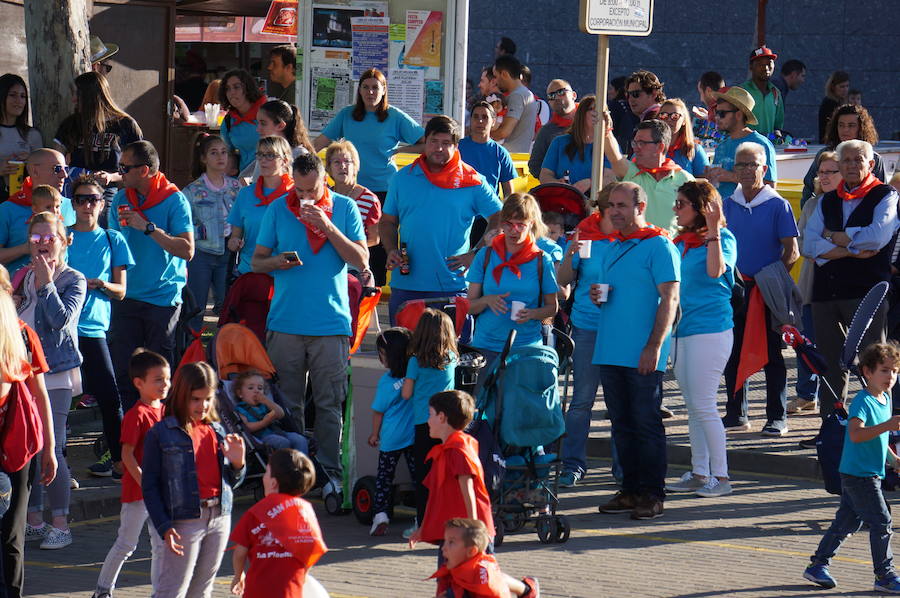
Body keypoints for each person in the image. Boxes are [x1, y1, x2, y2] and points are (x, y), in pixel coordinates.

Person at [252, 153, 367, 495]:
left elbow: (361, 261)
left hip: (330, 324)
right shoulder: (278, 209)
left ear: (323, 181)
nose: (304, 199)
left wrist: (327, 226)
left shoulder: (344, 208)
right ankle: (293, 474)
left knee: (330, 404)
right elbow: (256, 263)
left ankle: (330, 474)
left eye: (311, 191)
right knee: (288, 405)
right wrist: (278, 261)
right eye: (299, 191)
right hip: (286, 322)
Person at [594, 182, 679, 521]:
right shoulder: (613, 246)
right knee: (622, 425)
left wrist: (654, 346)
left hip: (642, 352)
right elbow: (612, 293)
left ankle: (652, 494)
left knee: (646, 424)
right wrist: (597, 296)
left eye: (622, 205)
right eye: (610, 206)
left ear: (640, 207)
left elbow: (670, 299)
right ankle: (630, 491)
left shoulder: (659, 245)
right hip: (610, 349)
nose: (614, 211)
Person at [804, 140, 898, 433]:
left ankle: (878, 430)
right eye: (846, 160)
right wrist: (851, 247)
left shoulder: (885, 196)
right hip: (826, 293)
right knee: (829, 363)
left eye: (858, 160)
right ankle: (831, 428)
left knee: (874, 363)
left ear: (871, 164)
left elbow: (877, 238)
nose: (851, 165)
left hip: (867, 292)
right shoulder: (826, 200)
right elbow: (807, 243)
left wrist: (831, 238)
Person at [410, 390, 540, 598]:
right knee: (454, 580)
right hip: (453, 532)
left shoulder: (459, 449)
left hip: (469, 532)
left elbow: (468, 490)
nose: (428, 420)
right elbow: (437, 498)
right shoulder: (445, 450)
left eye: (430, 414)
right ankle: (527, 589)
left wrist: (473, 530)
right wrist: (423, 528)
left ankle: (527, 589)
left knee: (482, 578)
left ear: (442, 417)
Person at [381, 115, 502, 324]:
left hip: (452, 287)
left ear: (456, 146)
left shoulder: (472, 181)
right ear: (424, 143)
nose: (438, 148)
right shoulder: (402, 178)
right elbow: (387, 222)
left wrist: (477, 254)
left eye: (446, 143)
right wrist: (391, 249)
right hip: (407, 285)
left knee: (452, 356)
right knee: (402, 355)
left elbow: (500, 217)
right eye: (433, 142)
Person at [141, 361, 246, 598]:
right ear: (181, 396)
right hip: (184, 520)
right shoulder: (160, 433)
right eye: (196, 399)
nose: (203, 405)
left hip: (219, 515)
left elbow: (232, 482)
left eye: (208, 398)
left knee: (202, 590)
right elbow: (149, 486)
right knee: (172, 590)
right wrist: (164, 526)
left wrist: (239, 465)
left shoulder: (217, 430)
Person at [802, 342, 900, 593]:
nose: (891, 377)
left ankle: (817, 565)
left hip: (870, 473)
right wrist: (887, 426)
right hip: (859, 475)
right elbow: (856, 434)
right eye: (884, 370)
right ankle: (884, 576)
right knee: (881, 522)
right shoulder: (863, 401)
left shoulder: (885, 397)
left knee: (847, 523)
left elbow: (878, 438)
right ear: (867, 372)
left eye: (895, 371)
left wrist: (893, 460)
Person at [314, 68, 425, 286]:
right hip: (350, 191)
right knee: (351, 238)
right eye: (366, 87)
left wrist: (402, 150)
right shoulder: (347, 114)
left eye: (375, 87)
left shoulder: (394, 116)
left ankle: (375, 289)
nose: (370, 92)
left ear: (384, 90)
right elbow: (320, 142)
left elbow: (426, 142)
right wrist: (300, 158)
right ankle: (351, 286)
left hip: (385, 189)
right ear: (359, 90)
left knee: (379, 243)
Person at [107, 140, 194, 410]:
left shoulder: (174, 200)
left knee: (159, 372)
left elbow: (187, 250)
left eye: (125, 167)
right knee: (124, 369)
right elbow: (112, 245)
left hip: (161, 298)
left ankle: (162, 430)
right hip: (126, 295)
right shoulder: (121, 198)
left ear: (143, 171)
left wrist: (148, 228)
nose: (120, 172)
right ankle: (129, 431)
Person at [721, 143, 799, 436]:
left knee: (774, 356)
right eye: (740, 165)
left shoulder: (778, 204)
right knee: (733, 352)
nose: (745, 170)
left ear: (764, 169)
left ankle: (777, 417)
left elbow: (792, 251)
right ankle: (735, 413)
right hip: (735, 291)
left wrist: (771, 280)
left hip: (766, 293)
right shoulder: (728, 204)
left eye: (751, 165)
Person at [665, 181, 736, 498]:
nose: (676, 209)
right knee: (694, 406)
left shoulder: (723, 239)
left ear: (701, 208)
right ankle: (699, 471)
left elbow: (714, 271)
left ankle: (721, 478)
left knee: (705, 405)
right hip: (682, 331)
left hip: (711, 330)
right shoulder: (680, 242)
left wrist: (713, 229)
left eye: (681, 203)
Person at [19, 212, 86, 550]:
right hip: (23, 374)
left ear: (64, 242)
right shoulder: (20, 277)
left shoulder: (73, 279)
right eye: (36, 239)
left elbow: (61, 321)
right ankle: (33, 520)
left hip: (56, 375)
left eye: (50, 238)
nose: (43, 244)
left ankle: (60, 523)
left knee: (52, 447)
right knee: (26, 448)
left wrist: (46, 284)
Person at [68, 175, 134, 479]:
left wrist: (101, 284)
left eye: (92, 199)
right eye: (80, 199)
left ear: (101, 203)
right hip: (63, 329)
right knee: (61, 400)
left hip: (94, 329)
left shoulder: (113, 239)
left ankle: (120, 461)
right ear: (73, 203)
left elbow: (121, 290)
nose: (86, 205)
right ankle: (59, 465)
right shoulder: (63, 236)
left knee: (110, 396)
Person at [91, 349, 168, 598]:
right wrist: (147, 484)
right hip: (138, 492)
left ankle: (159, 592)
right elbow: (127, 456)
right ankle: (103, 590)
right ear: (139, 383)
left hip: (160, 492)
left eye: (166, 379)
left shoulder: (165, 412)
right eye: (158, 380)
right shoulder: (137, 415)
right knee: (127, 544)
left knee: (160, 545)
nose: (165, 384)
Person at [0, 263, 56, 598]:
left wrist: (50, 448)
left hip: (18, 445)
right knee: (11, 534)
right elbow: (40, 395)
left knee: (12, 532)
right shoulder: (22, 332)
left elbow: (40, 394)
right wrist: (48, 448)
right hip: (20, 446)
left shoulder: (22, 334)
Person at [557, 196, 617, 487]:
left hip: (621, 330)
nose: (610, 214)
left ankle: (622, 467)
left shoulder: (632, 238)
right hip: (586, 326)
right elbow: (563, 278)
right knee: (581, 401)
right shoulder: (586, 234)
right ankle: (573, 464)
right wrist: (570, 252)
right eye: (607, 209)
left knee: (619, 402)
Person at [467, 193, 558, 361]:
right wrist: (486, 300)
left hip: (526, 349)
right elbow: (468, 306)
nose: (513, 230)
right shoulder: (485, 255)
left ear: (531, 224)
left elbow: (552, 307)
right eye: (508, 224)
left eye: (520, 225)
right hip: (486, 347)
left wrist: (532, 313)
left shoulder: (542, 260)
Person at [230, 448, 328, 598]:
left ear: (274, 483)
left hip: (257, 589)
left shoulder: (255, 513)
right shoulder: (304, 511)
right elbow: (314, 548)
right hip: (291, 589)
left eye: (267, 473)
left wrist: (238, 575)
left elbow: (240, 552)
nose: (264, 477)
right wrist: (303, 573)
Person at [790, 152, 840, 417]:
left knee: (836, 349)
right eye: (822, 171)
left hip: (844, 288)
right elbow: (803, 245)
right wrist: (837, 244)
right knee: (806, 340)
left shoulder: (850, 204)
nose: (825, 176)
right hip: (811, 284)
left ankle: (833, 401)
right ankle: (806, 394)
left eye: (832, 171)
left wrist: (825, 243)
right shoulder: (811, 205)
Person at [403, 309, 459, 528]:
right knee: (445, 475)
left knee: (424, 476)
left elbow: (406, 394)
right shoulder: (452, 358)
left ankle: (423, 521)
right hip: (448, 426)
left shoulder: (416, 362)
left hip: (424, 424)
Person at [54, 71, 142, 200]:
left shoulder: (125, 124)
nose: (73, 99)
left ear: (91, 96)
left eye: (77, 94)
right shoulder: (71, 123)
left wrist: (110, 177)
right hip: (74, 188)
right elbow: (55, 157)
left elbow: (139, 167)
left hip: (107, 190)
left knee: (104, 214)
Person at [182, 134, 240, 331]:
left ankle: (223, 349)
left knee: (227, 305)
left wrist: (237, 236)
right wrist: (203, 232)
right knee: (196, 305)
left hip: (229, 252)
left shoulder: (236, 187)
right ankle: (191, 350)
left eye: (224, 152)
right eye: (214, 153)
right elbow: (184, 226)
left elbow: (242, 219)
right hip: (201, 253)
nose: (220, 157)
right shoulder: (191, 191)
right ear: (203, 158)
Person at [603, 117, 694, 234]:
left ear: (660, 147)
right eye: (634, 143)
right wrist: (606, 130)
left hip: (673, 249)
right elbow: (615, 157)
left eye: (641, 143)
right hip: (637, 248)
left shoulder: (685, 180)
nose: (635, 148)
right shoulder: (631, 173)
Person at [367, 327, 415, 536]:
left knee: (384, 479)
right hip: (413, 435)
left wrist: (374, 434)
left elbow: (378, 411)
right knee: (417, 477)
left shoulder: (386, 382)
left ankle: (381, 515)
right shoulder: (415, 375)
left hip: (390, 437)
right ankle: (422, 514)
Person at [0, 148, 75, 276]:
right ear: (34, 171)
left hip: (61, 290)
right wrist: (25, 249)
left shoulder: (72, 206)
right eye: (57, 169)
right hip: (19, 291)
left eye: (65, 169)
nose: (64, 175)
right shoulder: (8, 209)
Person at [228, 136, 293, 278]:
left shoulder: (296, 195)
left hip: (286, 276)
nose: (263, 160)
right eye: (260, 155)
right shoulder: (245, 194)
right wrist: (234, 242)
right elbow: (235, 236)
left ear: (285, 160)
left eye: (270, 155)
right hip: (250, 273)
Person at [432, 518, 540, 598]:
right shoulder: (455, 566)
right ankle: (527, 588)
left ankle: (528, 589)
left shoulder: (484, 582)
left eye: (451, 542)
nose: (444, 548)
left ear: (471, 551)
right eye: (444, 541)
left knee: (494, 578)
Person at [802, 104, 885, 205]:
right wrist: (808, 213)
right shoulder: (824, 154)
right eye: (841, 125)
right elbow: (809, 187)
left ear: (861, 128)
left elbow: (881, 193)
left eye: (851, 125)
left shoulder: (874, 158)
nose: (845, 130)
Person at [705, 86, 777, 200]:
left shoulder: (761, 144)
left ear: (738, 115)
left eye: (722, 113)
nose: (717, 117)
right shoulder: (721, 146)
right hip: (722, 214)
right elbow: (716, 186)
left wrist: (731, 177)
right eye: (716, 112)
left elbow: (770, 187)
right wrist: (710, 178)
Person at [232, 370, 309, 454]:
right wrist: (263, 423)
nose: (256, 391)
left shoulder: (265, 404)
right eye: (251, 388)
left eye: (260, 388)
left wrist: (267, 401)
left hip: (279, 432)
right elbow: (247, 427)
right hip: (262, 437)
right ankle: (284, 465)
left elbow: (281, 414)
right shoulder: (241, 408)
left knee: (300, 439)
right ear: (240, 393)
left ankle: (302, 464)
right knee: (282, 442)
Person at [325, 140, 382, 248]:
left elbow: (374, 239)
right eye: (337, 162)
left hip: (354, 261)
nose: (342, 166)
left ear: (355, 166)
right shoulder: (324, 195)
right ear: (329, 168)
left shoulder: (369, 200)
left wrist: (349, 249)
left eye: (347, 161)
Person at [240, 99, 314, 183]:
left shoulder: (299, 154)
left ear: (281, 126)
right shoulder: (263, 153)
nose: (258, 129)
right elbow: (245, 177)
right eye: (258, 123)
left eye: (263, 123)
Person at [539, 96, 597, 194]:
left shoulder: (607, 146)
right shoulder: (559, 142)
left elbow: (612, 179)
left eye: (601, 111)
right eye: (592, 109)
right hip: (563, 201)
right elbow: (544, 175)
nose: (597, 114)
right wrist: (558, 184)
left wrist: (590, 183)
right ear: (581, 114)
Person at [459, 101, 517, 196]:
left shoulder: (501, 153)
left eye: (485, 117)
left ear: (493, 121)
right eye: (476, 117)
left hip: (490, 208)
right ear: (471, 120)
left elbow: (509, 192)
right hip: (462, 207)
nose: (480, 121)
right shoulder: (457, 148)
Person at [0, 74, 42, 202]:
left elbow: (43, 171)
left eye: (23, 96)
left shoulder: (33, 135)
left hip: (24, 201)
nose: (19, 100)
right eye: (12, 95)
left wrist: (30, 161)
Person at [528, 79, 578, 179]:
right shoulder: (546, 131)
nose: (556, 98)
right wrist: (554, 180)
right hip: (562, 189)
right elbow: (534, 165)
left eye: (561, 92)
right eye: (551, 96)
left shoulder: (591, 120)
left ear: (574, 95)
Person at [219, 69, 266, 172]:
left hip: (272, 179)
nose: (232, 92)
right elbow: (227, 152)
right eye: (227, 89)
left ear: (248, 88)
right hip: (244, 180)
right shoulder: (228, 121)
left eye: (236, 87)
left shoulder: (268, 112)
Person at [490, 55, 537, 154]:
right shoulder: (525, 93)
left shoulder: (518, 96)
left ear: (504, 74)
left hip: (510, 157)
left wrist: (481, 134)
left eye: (495, 76)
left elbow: (503, 132)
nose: (494, 82)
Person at [739, 46, 783, 136]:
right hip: (746, 146)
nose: (766, 68)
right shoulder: (741, 91)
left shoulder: (775, 92)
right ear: (751, 67)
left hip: (768, 146)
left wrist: (778, 136)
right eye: (760, 64)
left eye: (769, 63)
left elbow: (777, 126)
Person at [659, 98, 709, 177]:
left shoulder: (694, 150)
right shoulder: (647, 146)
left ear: (684, 121)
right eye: (663, 115)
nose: (668, 119)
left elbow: (705, 184)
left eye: (675, 116)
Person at [819, 70, 850, 143]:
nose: (845, 89)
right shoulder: (829, 103)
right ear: (833, 87)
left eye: (847, 86)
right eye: (842, 87)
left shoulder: (840, 101)